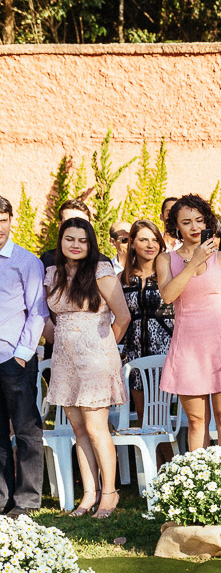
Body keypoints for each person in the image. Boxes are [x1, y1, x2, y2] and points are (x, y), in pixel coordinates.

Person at [44, 218, 131, 519]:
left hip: (96, 360)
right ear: (61, 242)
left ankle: (110, 493)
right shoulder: (52, 274)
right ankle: (89, 494)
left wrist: (103, 349)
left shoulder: (101, 271)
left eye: (82, 240)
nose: (76, 245)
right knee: (78, 429)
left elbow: (122, 317)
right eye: (70, 239)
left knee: (96, 429)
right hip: (65, 362)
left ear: (90, 243)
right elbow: (45, 315)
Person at [158, 195, 221, 452]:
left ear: (207, 223)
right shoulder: (166, 260)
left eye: (199, 221)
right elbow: (168, 296)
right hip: (188, 347)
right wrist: (193, 263)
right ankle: (201, 486)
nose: (194, 227)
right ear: (176, 227)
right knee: (196, 421)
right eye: (187, 222)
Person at [0, 195, 49, 518]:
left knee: (27, 431)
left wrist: (21, 355)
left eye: (2, 221)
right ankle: (2, 499)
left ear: (10, 220)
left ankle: (28, 500)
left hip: (14, 359)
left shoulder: (26, 261)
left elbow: (37, 312)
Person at [120, 220, 174, 418]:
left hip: (165, 353)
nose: (150, 245)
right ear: (132, 243)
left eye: (154, 240)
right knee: (144, 417)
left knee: (161, 416)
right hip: (134, 355)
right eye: (143, 239)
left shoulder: (168, 275)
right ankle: (150, 451)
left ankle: (170, 451)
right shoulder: (121, 279)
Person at [40, 198, 93, 270]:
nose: (75, 227)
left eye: (81, 223)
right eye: (69, 223)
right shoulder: (47, 259)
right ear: (60, 226)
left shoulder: (101, 263)